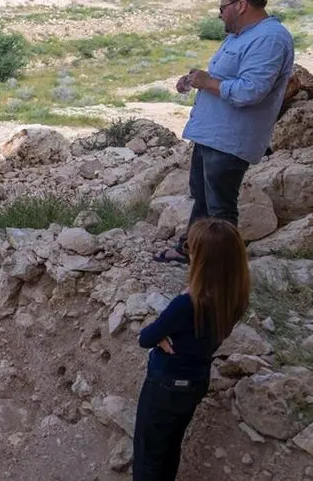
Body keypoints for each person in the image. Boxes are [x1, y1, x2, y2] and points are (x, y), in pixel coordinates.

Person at [155, 0, 294, 264]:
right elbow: (226, 79)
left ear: (241, 5)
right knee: (204, 199)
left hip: (231, 138)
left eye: (222, 6)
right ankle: (192, 250)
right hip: (212, 133)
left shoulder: (270, 38)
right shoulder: (240, 37)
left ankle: (220, 272)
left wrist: (208, 82)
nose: (219, 13)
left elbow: (251, 91)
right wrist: (198, 80)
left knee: (220, 208)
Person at [133, 217, 250, 480]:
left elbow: (146, 337)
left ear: (203, 261)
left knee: (148, 453)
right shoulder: (234, 296)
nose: (189, 254)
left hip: (166, 384)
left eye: (192, 250)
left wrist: (165, 335)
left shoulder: (186, 304)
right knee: (171, 445)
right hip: (196, 380)